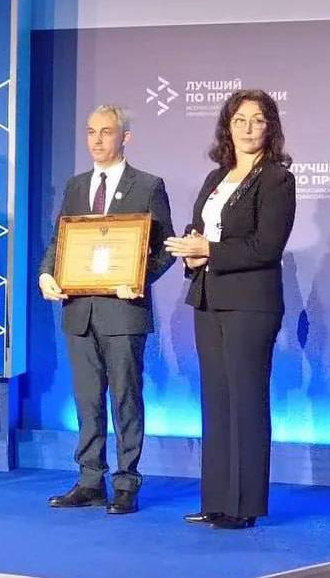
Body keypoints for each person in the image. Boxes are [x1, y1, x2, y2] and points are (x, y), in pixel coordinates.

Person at [164, 90, 295, 530]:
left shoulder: (276, 179)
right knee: (217, 402)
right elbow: (200, 229)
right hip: (209, 298)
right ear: (228, 126)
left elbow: (266, 246)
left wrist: (210, 250)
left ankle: (244, 506)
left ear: (270, 127)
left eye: (258, 120)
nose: (248, 128)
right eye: (240, 120)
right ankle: (217, 500)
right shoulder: (216, 177)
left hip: (251, 304)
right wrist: (191, 251)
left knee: (246, 401)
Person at [38, 104, 175, 514]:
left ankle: (127, 482)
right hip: (79, 311)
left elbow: (165, 248)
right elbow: (60, 239)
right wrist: (46, 274)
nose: (97, 140)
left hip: (124, 312)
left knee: (126, 399)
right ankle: (90, 480)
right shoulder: (76, 186)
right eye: (91, 131)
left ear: (125, 137)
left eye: (107, 132)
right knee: (86, 400)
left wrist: (138, 279)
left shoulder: (148, 185)